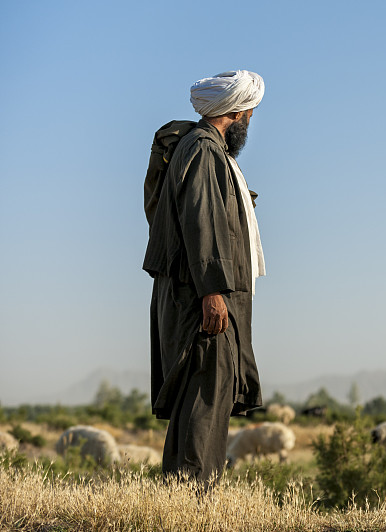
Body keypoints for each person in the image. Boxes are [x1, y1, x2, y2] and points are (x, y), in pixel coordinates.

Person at [143, 70, 267, 482]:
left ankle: (184, 495)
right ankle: (191, 496)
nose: (249, 122)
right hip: (202, 295)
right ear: (237, 113)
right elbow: (203, 223)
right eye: (249, 114)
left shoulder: (205, 151)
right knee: (206, 389)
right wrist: (213, 292)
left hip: (199, 291)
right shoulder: (203, 151)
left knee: (204, 389)